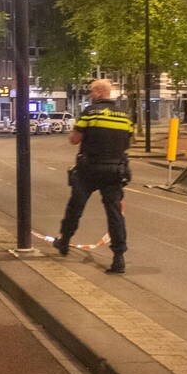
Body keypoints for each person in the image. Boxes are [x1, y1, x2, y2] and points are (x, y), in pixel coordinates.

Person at [55, 79, 133, 274]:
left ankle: (64, 241)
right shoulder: (124, 116)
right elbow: (128, 142)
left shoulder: (89, 113)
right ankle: (118, 257)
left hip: (89, 170)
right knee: (114, 214)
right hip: (114, 170)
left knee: (76, 207)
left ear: (99, 92)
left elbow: (75, 140)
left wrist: (76, 135)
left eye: (91, 92)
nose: (90, 95)